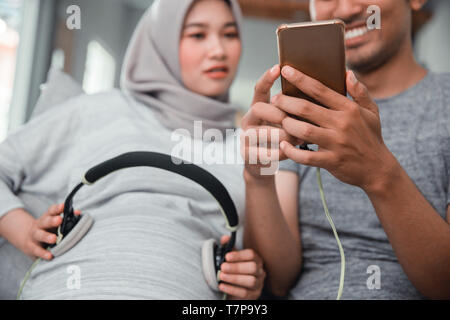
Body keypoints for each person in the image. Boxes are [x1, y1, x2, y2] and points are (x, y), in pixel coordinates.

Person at [0, 0, 265, 299]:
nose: (218, 50)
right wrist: (20, 228)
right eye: (197, 35)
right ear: (161, 41)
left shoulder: (250, 147)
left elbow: (254, 257)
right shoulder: (100, 109)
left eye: (230, 34)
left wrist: (249, 277)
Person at [241, 0, 450, 299]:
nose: (346, 8)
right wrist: (258, 177)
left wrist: (380, 174)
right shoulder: (299, 115)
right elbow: (277, 281)